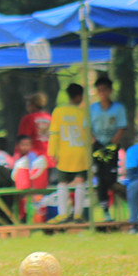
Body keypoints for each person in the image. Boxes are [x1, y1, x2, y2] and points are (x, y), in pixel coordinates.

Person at [45, 84, 89, 224]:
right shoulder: (83, 113)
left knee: (62, 183)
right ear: (79, 96)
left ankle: (63, 214)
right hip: (81, 151)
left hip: (64, 152)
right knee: (80, 182)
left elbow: (54, 132)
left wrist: (52, 151)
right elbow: (87, 134)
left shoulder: (58, 111)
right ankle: (78, 214)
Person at [90, 76, 128, 220]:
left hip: (111, 147)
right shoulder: (92, 108)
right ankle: (105, 211)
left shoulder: (118, 108)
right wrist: (97, 144)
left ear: (110, 91)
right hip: (98, 147)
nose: (102, 93)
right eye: (99, 90)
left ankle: (125, 199)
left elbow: (121, 127)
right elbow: (88, 128)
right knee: (101, 178)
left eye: (105, 90)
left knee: (110, 178)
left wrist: (111, 144)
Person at [12, 134, 49, 222]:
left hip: (31, 188)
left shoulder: (33, 157)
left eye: (28, 144)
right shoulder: (15, 157)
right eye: (23, 144)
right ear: (18, 146)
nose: (26, 147)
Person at [18, 92, 53, 173]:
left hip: (34, 160)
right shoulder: (50, 118)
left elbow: (24, 140)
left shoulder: (28, 119)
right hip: (50, 159)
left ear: (32, 105)